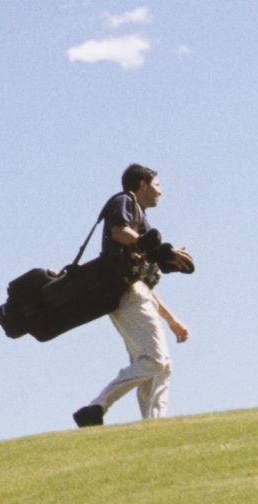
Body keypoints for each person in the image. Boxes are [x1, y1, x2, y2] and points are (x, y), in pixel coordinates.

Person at [74, 164, 194, 427]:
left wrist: (171, 320)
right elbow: (119, 231)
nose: (160, 192)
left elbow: (146, 282)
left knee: (159, 366)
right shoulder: (124, 200)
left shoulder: (141, 217)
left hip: (134, 292)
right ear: (142, 185)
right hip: (124, 292)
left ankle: (153, 427)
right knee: (155, 360)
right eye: (157, 185)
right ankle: (95, 407)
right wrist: (152, 246)